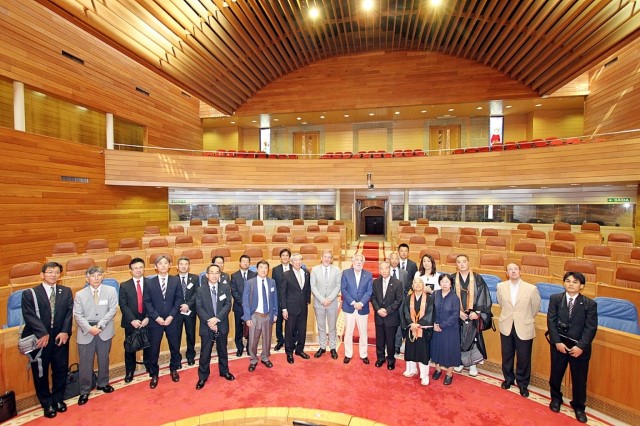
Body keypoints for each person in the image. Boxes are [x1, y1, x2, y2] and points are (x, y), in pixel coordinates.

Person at [20, 262, 73, 418]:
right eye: (50, 272)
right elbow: (28, 315)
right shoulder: (30, 293)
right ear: (42, 274)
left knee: (61, 369)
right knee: (41, 371)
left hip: (60, 338)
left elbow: (69, 313)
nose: (53, 275)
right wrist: (42, 333)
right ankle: (47, 403)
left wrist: (65, 331)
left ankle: (58, 399)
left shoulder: (66, 291)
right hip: (40, 339)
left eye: (57, 272)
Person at [547, 272, 598, 423]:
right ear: (564, 283)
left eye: (575, 282)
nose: (571, 284)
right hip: (559, 345)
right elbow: (551, 321)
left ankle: (579, 407)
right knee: (556, 375)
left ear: (581, 286)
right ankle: (556, 399)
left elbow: (591, 328)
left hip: (579, 348)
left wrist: (581, 346)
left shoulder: (589, 304)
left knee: (579, 379)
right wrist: (556, 342)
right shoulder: (555, 299)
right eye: (568, 281)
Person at [73, 266, 118, 405]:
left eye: (99, 275)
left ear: (102, 277)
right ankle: (85, 390)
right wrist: (89, 328)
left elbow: (112, 310)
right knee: (85, 363)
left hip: (104, 330)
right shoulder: (80, 294)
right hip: (86, 331)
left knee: (104, 359)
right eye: (93, 276)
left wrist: (100, 326)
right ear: (87, 278)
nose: (96, 278)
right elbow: (77, 315)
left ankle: (103, 383)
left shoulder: (110, 290)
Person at [496, 263, 541, 397]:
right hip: (506, 325)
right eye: (510, 269)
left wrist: (524, 318)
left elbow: (535, 308)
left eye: (515, 269)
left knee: (524, 357)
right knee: (507, 354)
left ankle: (522, 384)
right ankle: (508, 379)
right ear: (506, 273)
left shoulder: (531, 289)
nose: (513, 271)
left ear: (520, 271)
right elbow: (501, 303)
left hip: (524, 326)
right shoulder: (500, 286)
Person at [144, 255, 182, 388]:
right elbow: (147, 302)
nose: (163, 265)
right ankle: (154, 374)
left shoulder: (175, 280)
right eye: (160, 264)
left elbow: (179, 300)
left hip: (173, 320)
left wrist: (171, 316)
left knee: (174, 346)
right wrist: (156, 317)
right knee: (154, 349)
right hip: (156, 322)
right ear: (155, 267)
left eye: (166, 263)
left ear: (169, 265)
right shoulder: (149, 282)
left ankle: (174, 369)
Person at [195, 264, 234, 389]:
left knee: (223, 350)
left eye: (217, 272)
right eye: (211, 272)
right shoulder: (201, 290)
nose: (214, 275)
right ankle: (202, 377)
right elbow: (199, 308)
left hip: (221, 324)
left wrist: (217, 319)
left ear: (220, 275)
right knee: (205, 352)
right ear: (207, 275)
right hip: (206, 326)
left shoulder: (225, 287)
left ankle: (224, 371)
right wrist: (210, 321)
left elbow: (228, 305)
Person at [453, 254, 492, 377]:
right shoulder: (452, 278)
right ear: (456, 265)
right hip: (458, 315)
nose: (462, 264)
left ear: (468, 262)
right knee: (458, 339)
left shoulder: (477, 278)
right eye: (459, 262)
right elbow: (448, 297)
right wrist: (457, 312)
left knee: (473, 340)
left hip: (473, 315)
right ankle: (459, 362)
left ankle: (472, 365)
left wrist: (478, 312)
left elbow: (483, 296)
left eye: (464, 261)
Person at [242, 260, 279, 372]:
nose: (263, 270)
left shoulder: (272, 282)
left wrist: (276, 312)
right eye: (261, 267)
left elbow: (275, 298)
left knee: (267, 339)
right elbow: (245, 301)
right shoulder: (250, 282)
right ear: (257, 269)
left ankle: (265, 357)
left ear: (268, 270)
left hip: (268, 315)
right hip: (255, 315)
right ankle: (253, 359)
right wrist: (247, 317)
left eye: (265, 268)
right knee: (253, 339)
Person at [119, 257, 150, 383]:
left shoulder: (150, 283)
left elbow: (153, 302)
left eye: (140, 267)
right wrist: (132, 320)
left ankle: (149, 366)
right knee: (130, 347)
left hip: (147, 320)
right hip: (131, 321)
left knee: (149, 345)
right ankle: (130, 371)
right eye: (135, 268)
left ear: (144, 268)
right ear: (130, 270)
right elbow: (123, 304)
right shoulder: (124, 285)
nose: (138, 270)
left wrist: (148, 317)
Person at [341, 253, 373, 364]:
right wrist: (354, 302)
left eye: (361, 260)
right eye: (357, 260)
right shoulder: (346, 273)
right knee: (348, 332)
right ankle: (348, 354)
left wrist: (361, 303)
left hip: (362, 308)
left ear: (363, 263)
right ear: (353, 262)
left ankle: (363, 354)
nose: (359, 262)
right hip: (349, 307)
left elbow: (369, 291)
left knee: (363, 332)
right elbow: (343, 290)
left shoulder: (368, 275)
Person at [279, 253, 312, 363]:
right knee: (289, 331)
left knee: (302, 330)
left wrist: (307, 301)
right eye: (295, 260)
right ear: (291, 262)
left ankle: (299, 350)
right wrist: (284, 309)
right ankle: (289, 353)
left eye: (300, 260)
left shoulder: (306, 273)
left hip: (303, 307)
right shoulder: (286, 275)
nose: (298, 262)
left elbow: (307, 289)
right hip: (291, 308)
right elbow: (282, 293)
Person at [371, 260, 403, 370]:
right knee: (380, 339)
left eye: (386, 268)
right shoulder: (375, 282)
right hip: (379, 315)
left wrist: (387, 310)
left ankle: (390, 360)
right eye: (381, 269)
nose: (384, 271)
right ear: (379, 270)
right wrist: (378, 310)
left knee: (390, 340)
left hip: (391, 317)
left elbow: (399, 300)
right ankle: (380, 358)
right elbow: (373, 297)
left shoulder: (397, 283)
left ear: (389, 269)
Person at [310, 249, 342, 359]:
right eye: (325, 256)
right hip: (319, 303)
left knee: (332, 326)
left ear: (332, 259)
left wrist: (329, 299)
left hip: (332, 303)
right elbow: (313, 286)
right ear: (321, 258)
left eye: (329, 257)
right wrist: (321, 300)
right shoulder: (314, 270)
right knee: (321, 326)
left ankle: (333, 347)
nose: (327, 259)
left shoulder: (337, 270)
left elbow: (338, 286)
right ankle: (322, 347)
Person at [402, 278, 435, 385]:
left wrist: (419, 324)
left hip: (423, 329)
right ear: (412, 285)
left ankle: (424, 375)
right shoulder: (408, 298)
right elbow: (405, 312)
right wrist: (411, 324)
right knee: (410, 349)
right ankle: (412, 369)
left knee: (423, 352)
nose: (417, 284)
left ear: (423, 285)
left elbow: (430, 312)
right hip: (411, 328)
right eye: (415, 283)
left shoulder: (429, 299)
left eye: (419, 282)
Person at [430, 273, 461, 385]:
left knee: (450, 351)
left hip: (450, 329)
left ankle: (449, 373)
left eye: (447, 282)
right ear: (439, 282)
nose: (444, 284)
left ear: (451, 283)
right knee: (436, 348)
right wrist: (433, 323)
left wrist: (442, 325)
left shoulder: (454, 298)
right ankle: (437, 369)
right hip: (435, 327)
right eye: (442, 281)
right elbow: (430, 310)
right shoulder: (435, 294)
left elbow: (455, 314)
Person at [174, 256, 200, 366]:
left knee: (190, 334)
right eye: (181, 264)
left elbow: (196, 293)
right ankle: (177, 358)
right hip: (177, 312)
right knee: (176, 336)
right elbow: (172, 296)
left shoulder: (195, 278)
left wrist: (187, 305)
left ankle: (190, 355)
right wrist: (181, 306)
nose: (183, 266)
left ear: (189, 266)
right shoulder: (173, 279)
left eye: (186, 264)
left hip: (190, 311)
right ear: (177, 266)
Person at [230, 255, 257, 357]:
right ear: (240, 263)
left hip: (251, 307)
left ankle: (249, 347)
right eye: (243, 261)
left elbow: (255, 290)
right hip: (239, 306)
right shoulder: (234, 275)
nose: (245, 263)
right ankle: (239, 348)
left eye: (247, 261)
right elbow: (234, 291)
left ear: (249, 263)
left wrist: (249, 303)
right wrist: (242, 302)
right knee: (239, 328)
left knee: (251, 328)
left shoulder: (254, 274)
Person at [271, 248, 291, 351]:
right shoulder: (276, 269)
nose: (285, 257)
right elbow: (274, 286)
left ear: (289, 257)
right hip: (279, 299)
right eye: (283, 255)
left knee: (291, 322)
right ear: (280, 257)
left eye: (287, 255)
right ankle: (280, 340)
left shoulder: (293, 268)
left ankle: (290, 341)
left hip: (291, 300)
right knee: (279, 322)